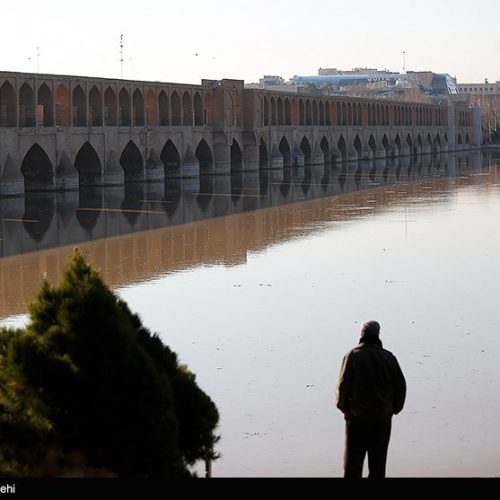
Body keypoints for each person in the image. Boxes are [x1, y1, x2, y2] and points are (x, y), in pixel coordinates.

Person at [336, 320, 406, 479]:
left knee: (353, 466)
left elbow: (343, 386)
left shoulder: (352, 356)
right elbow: (400, 386)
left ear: (361, 335)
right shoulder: (388, 358)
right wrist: (394, 409)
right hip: (382, 418)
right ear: (378, 335)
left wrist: (344, 408)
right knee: (378, 466)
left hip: (357, 418)